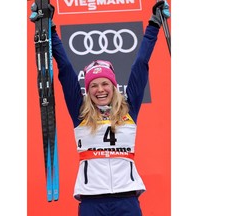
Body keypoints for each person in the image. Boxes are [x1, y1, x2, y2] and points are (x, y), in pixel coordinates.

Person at [50, 1, 170, 215]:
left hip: (127, 199)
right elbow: (66, 69)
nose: (100, 89)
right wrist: (50, 31)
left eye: (105, 83)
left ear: (114, 87)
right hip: (91, 201)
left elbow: (140, 64)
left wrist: (153, 25)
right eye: (93, 85)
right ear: (88, 90)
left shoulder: (128, 109)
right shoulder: (81, 113)